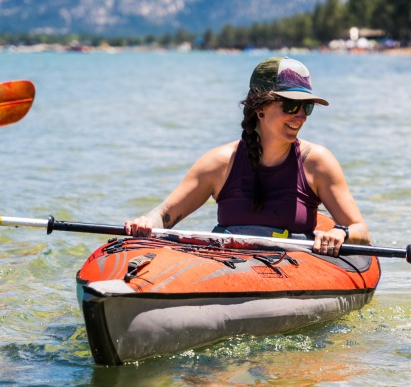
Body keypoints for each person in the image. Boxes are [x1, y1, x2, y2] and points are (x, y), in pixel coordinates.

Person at [125, 57, 369, 257]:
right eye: (291, 106)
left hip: (294, 268)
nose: (301, 116)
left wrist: (341, 234)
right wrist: (146, 221)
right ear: (259, 107)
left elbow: (361, 232)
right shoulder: (220, 163)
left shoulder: (317, 162)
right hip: (227, 266)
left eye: (307, 107)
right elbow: (164, 215)